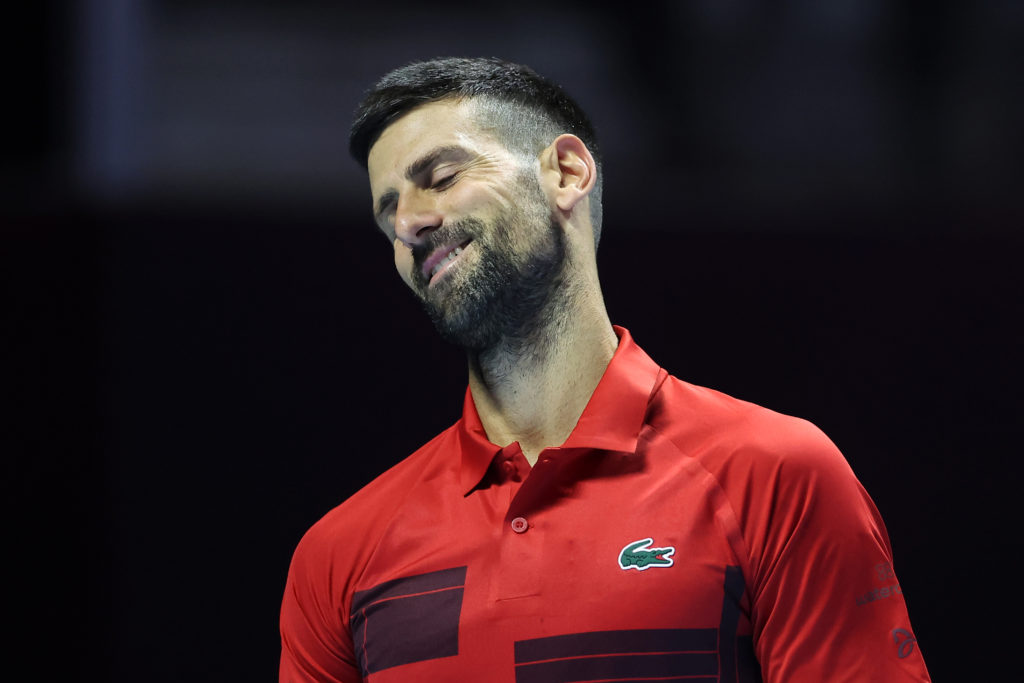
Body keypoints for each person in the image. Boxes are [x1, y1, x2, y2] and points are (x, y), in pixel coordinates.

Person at [279, 57, 930, 682]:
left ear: (565, 171)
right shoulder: (339, 555)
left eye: (442, 177)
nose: (410, 223)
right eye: (387, 211)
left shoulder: (775, 474)